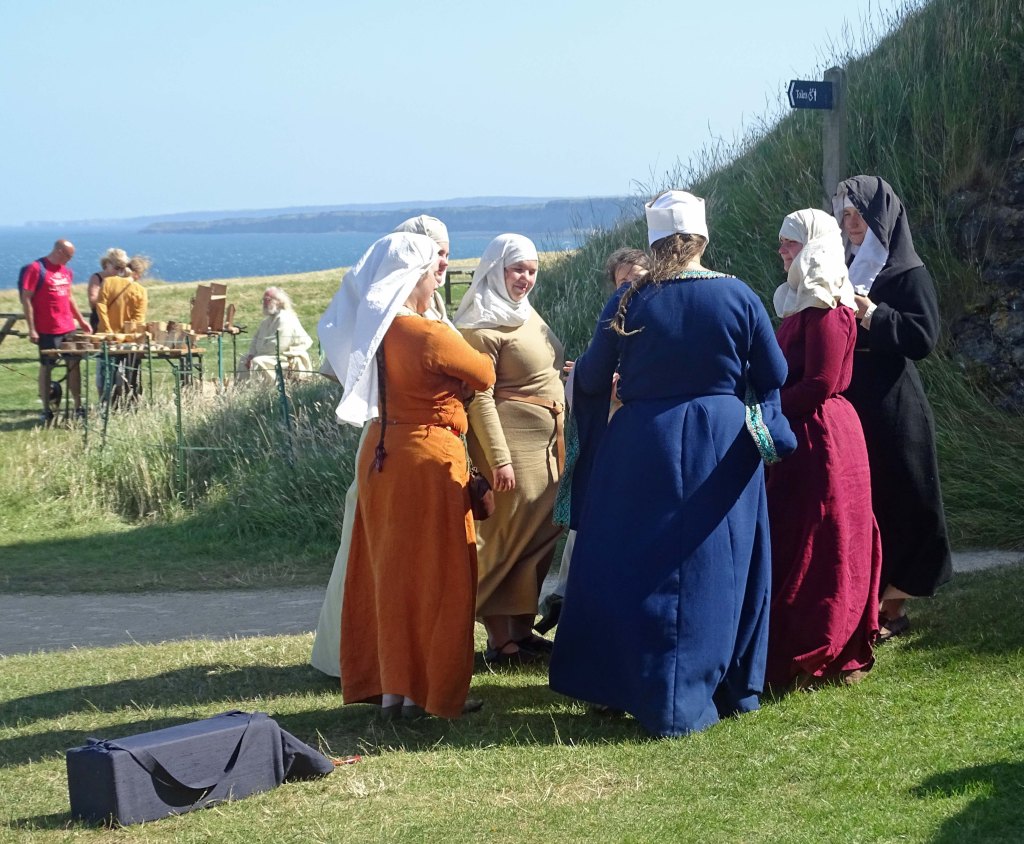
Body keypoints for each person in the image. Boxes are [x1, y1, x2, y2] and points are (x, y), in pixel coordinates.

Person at [548, 190, 796, 737]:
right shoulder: (739, 295)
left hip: (643, 444)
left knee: (634, 559)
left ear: (656, 241)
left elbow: (589, 377)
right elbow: (774, 371)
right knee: (719, 563)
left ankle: (626, 682)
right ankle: (725, 682)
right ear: (703, 238)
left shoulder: (629, 301)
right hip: (724, 445)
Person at [320, 232, 495, 720]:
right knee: (438, 576)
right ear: (415, 275)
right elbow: (484, 373)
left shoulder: (373, 333)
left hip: (382, 454)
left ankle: (393, 690)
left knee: (390, 575)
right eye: (432, 267)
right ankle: (429, 691)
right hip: (427, 458)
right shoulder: (429, 334)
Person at [310, 215, 452, 678]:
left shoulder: (427, 307)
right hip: (390, 442)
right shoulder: (383, 310)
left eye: (448, 253)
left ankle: (405, 659)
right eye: (438, 254)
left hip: (418, 441)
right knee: (377, 551)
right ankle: (368, 656)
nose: (444, 263)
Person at [765, 208, 882, 690]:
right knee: (801, 533)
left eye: (790, 243)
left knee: (823, 537)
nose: (782, 252)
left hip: (821, 436)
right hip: (807, 430)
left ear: (813, 246)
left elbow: (820, 381)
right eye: (780, 243)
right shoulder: (801, 302)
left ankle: (823, 649)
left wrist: (765, 413)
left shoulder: (827, 308)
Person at [833, 176, 953, 640]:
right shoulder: (842, 265)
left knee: (902, 497)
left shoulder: (907, 272)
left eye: (860, 214)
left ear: (882, 217)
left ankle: (894, 607)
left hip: (894, 400)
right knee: (866, 499)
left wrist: (872, 314)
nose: (853, 222)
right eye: (846, 215)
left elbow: (923, 337)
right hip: (853, 399)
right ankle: (864, 602)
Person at [455, 234, 566, 664]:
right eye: (518, 269)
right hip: (511, 446)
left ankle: (521, 629)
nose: (526, 278)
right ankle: (500, 640)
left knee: (537, 537)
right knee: (505, 538)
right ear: (496, 269)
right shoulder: (481, 325)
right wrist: (498, 458)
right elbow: (479, 396)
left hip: (545, 445)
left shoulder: (525, 314)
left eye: (533, 270)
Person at [537, 247, 651, 634]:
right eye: (624, 283)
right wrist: (586, 376)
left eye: (638, 280)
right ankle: (570, 603)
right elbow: (596, 372)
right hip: (608, 435)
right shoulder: (612, 323)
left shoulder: (656, 320)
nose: (631, 289)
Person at [18, 239, 91, 424]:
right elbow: (26, 299)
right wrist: (32, 328)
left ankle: (77, 406)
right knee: (47, 366)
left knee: (74, 365)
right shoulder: (36, 268)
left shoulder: (66, 272)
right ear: (58, 251)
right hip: (46, 329)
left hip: (67, 327)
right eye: (68, 256)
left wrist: (81, 321)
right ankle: (46, 409)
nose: (69, 260)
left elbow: (69, 297)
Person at [237, 287, 313, 383]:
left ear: (278, 302)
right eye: (263, 300)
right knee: (244, 359)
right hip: (270, 356)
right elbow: (255, 340)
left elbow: (279, 345)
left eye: (268, 300)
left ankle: (267, 391)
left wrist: (256, 356)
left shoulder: (285, 319)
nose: (264, 303)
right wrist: (251, 355)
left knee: (257, 362)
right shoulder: (266, 322)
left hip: (287, 357)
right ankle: (244, 390)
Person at [86, 248, 130, 332]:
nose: (119, 271)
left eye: (122, 268)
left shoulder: (123, 279)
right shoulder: (96, 278)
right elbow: (93, 301)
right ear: (107, 263)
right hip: (100, 319)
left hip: (119, 318)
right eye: (116, 268)